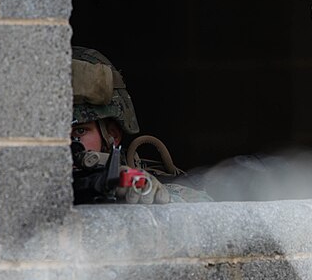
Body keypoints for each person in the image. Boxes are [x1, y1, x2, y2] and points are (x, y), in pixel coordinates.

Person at [70, 47, 211, 204]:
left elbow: (208, 213)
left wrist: (149, 195)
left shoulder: (141, 183)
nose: (64, 144)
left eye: (79, 131)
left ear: (111, 135)